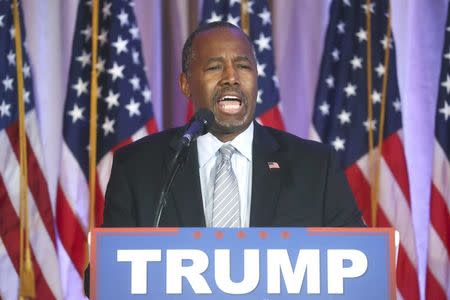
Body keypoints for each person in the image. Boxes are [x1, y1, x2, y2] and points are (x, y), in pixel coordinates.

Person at [84, 21, 364, 296]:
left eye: (243, 66)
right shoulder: (137, 167)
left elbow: (360, 268)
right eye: (214, 67)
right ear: (185, 84)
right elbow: (103, 278)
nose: (231, 77)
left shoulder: (314, 167)